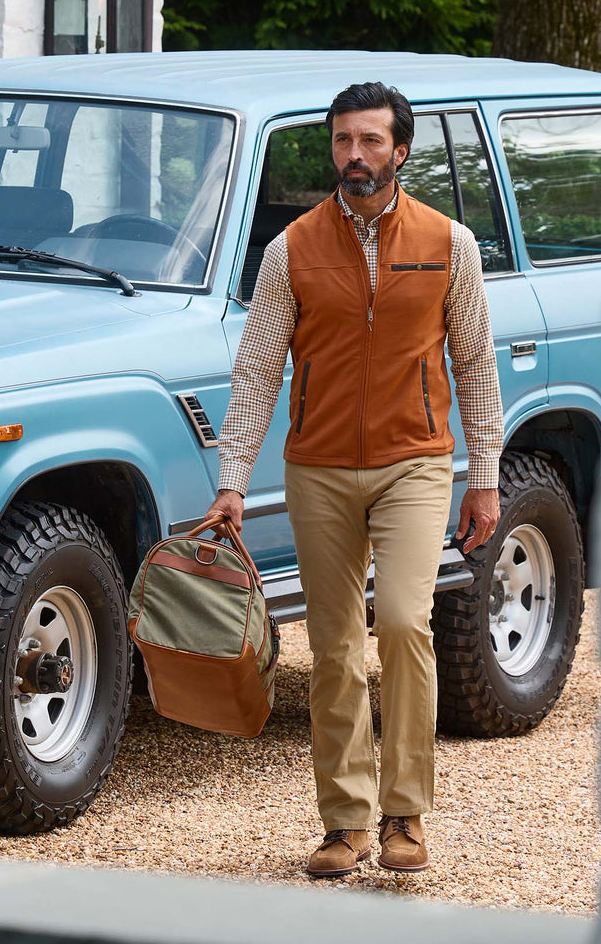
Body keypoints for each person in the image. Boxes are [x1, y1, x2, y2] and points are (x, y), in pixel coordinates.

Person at [205, 81, 504, 876]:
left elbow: (474, 366)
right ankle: (346, 824)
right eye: (342, 141)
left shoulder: (451, 244)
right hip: (320, 470)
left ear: (400, 151)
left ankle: (405, 813)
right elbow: (259, 371)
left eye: (371, 142)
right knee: (336, 650)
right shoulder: (290, 250)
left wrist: (487, 476)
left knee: (405, 623)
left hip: (415, 462)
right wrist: (233, 478)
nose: (354, 156)